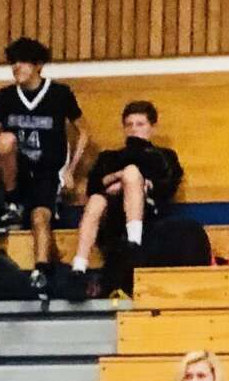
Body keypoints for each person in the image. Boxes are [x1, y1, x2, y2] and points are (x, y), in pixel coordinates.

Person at [0, 36, 86, 290]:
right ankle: (11, 201)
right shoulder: (5, 96)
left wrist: (71, 170)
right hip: (17, 171)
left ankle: (41, 271)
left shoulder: (59, 94)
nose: (16, 67)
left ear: (38, 65)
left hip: (47, 171)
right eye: (13, 62)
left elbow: (84, 132)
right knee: (6, 140)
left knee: (40, 216)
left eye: (23, 62)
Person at [68, 100, 182, 292]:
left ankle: (133, 242)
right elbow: (93, 186)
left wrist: (133, 181)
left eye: (140, 124)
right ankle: (79, 266)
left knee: (131, 172)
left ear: (152, 127)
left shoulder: (163, 155)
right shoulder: (110, 157)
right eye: (129, 125)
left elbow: (168, 184)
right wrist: (118, 177)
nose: (134, 129)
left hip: (148, 212)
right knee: (96, 200)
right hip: (112, 216)